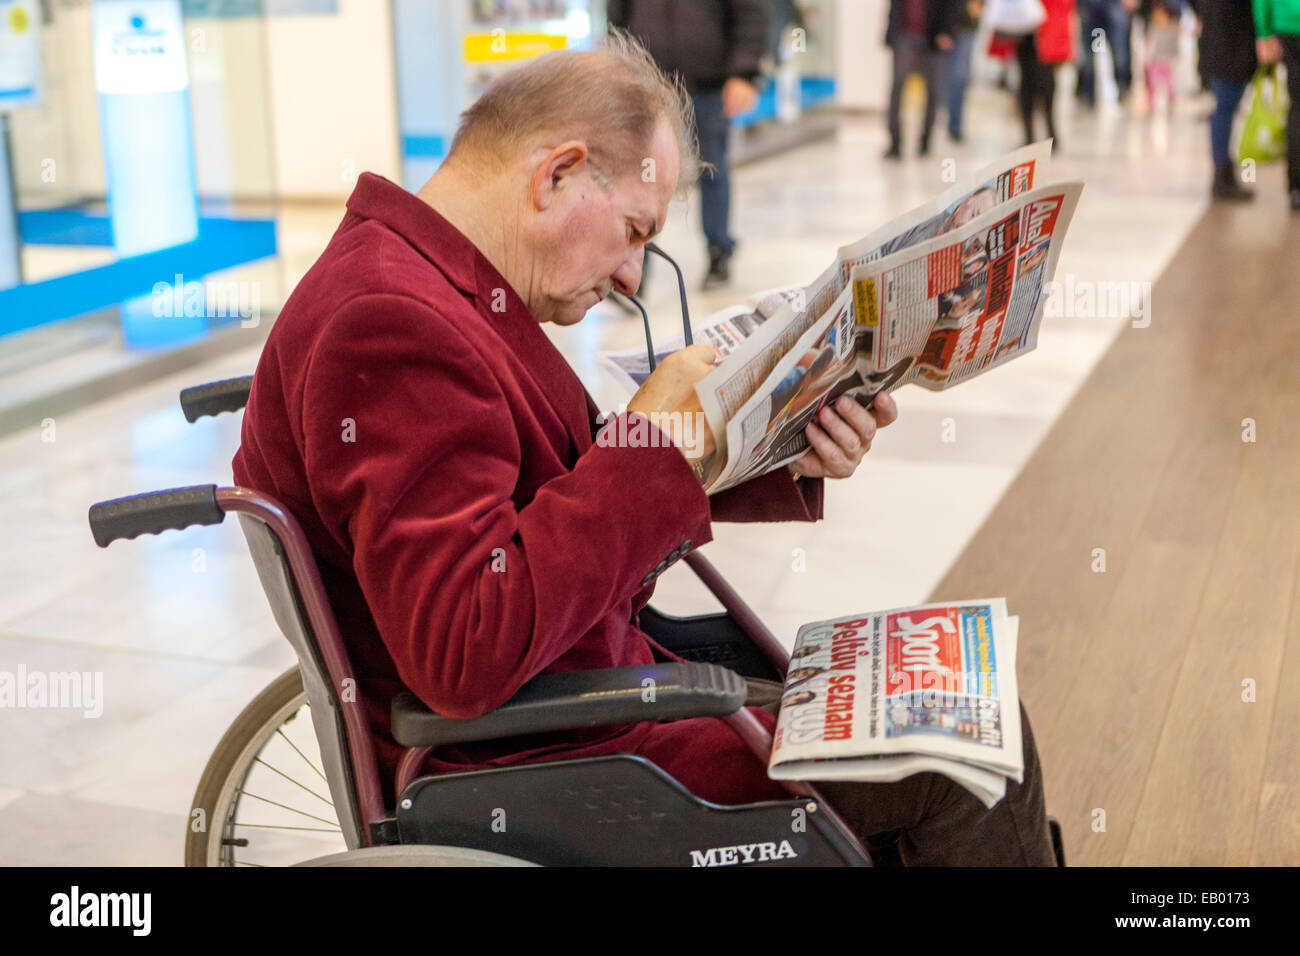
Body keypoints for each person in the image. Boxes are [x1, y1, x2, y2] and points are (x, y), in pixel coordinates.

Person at [233, 35, 1056, 866]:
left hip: (594, 702)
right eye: (635, 230)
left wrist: (777, 447)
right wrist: (656, 442)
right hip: (548, 755)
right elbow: (463, 645)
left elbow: (561, 484)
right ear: (556, 174)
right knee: (970, 755)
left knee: (952, 709)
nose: (633, 277)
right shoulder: (389, 321)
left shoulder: (439, 282)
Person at [609, 0, 769, 288]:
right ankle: (634, 264)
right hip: (646, 83)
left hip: (708, 85)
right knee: (642, 175)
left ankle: (719, 251)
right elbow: (617, 15)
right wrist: (618, 68)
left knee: (712, 169)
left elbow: (749, 12)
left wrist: (744, 72)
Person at [1188, 0, 1257, 201]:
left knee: (1224, 108)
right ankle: (1221, 174)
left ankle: (1223, 173)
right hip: (1229, 43)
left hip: (1220, 39)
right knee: (1224, 109)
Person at [884, 0, 959, 159]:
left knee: (933, 91)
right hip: (904, 33)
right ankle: (895, 142)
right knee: (897, 86)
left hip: (933, 36)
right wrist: (891, 32)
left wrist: (946, 31)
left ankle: (926, 141)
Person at [1253, 0, 1300, 209]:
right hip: (1287, 25)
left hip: (1286, 24)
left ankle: (1296, 188)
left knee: (1297, 107)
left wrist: (1264, 31)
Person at [1076, 0, 1138, 107]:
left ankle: (1123, 89)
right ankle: (1087, 95)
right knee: (1087, 57)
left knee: (1120, 52)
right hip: (1087, 5)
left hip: (1114, 3)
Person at [944, 1, 985, 142]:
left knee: (959, 77)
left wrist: (978, 7)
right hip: (948, 26)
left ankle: (955, 125)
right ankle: (951, 123)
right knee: (949, 78)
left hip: (966, 27)